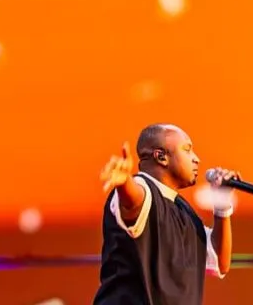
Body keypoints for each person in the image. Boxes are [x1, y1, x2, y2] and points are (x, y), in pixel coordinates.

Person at [93, 123, 239, 305]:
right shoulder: (143, 189)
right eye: (187, 150)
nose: (197, 159)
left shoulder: (184, 211)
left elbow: (220, 262)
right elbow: (135, 201)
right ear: (161, 157)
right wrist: (124, 183)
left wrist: (222, 204)